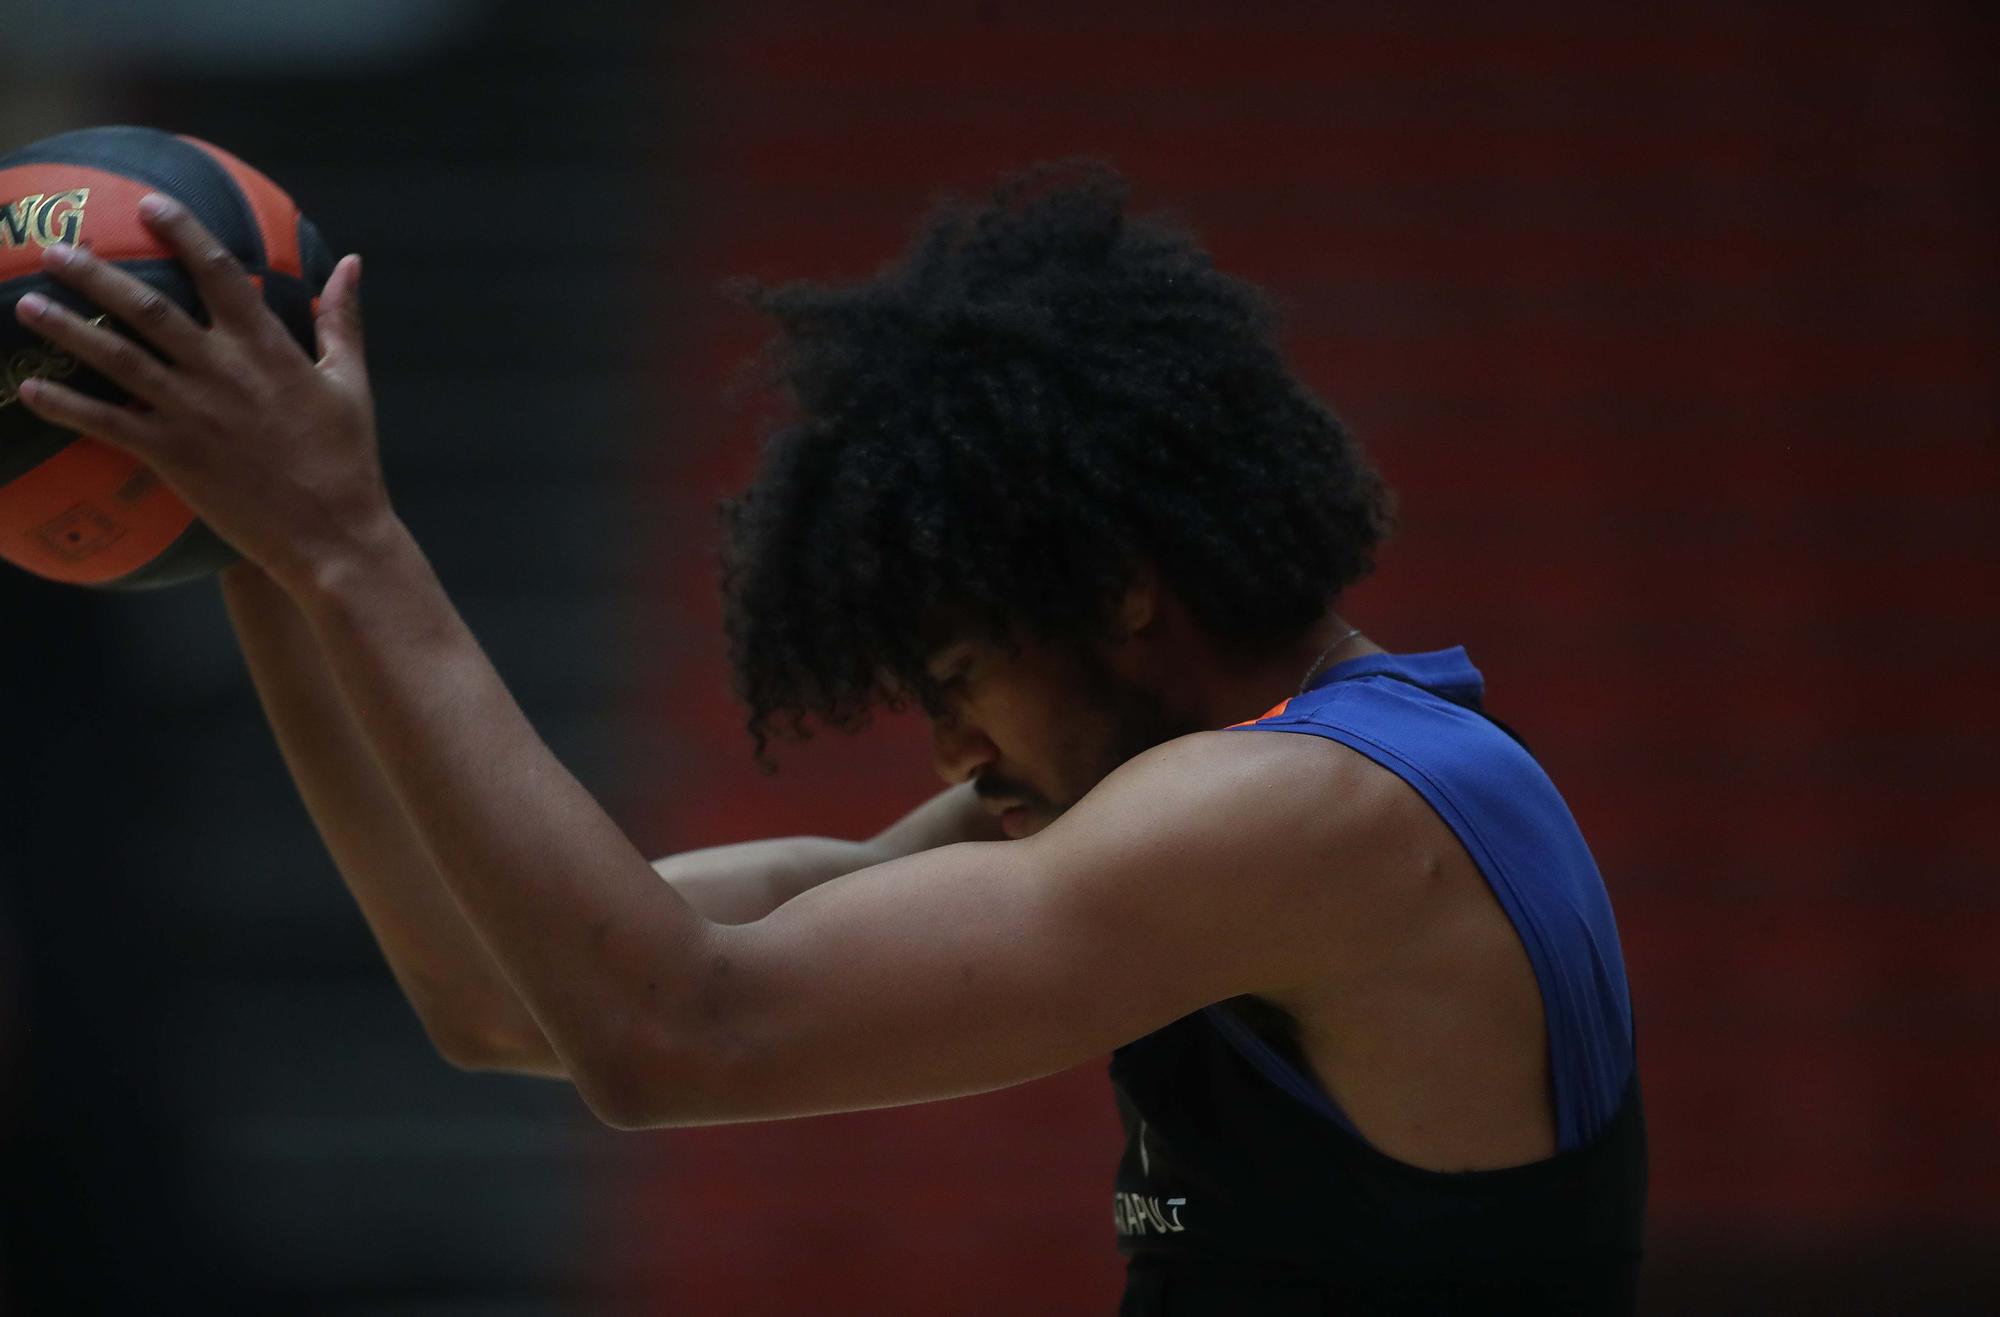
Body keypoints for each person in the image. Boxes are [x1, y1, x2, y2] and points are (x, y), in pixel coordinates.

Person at [13, 162, 1644, 1313]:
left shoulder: (1314, 813)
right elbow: (502, 995)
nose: (950, 753)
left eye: (954, 672)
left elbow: (675, 1033)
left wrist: (345, 546)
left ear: (1122, 593)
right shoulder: (1219, 787)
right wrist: (248, 547)